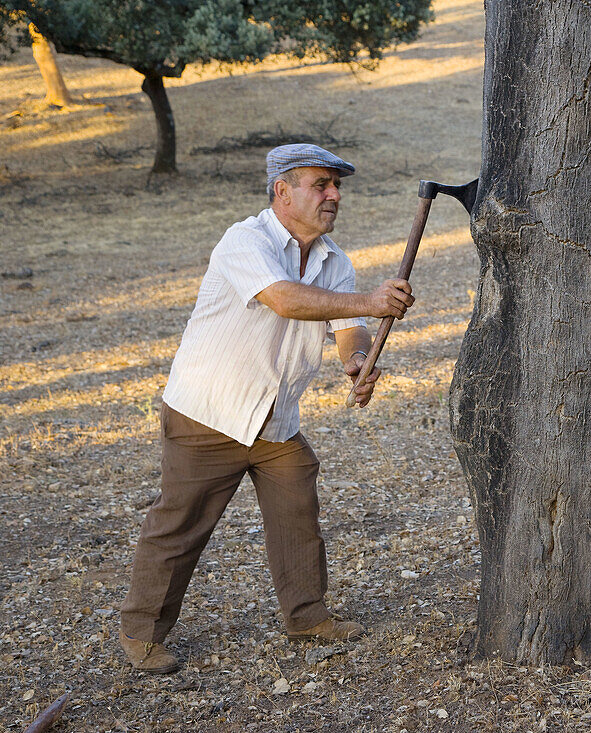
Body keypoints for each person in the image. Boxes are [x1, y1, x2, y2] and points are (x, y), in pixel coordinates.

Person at [119, 144, 415, 673]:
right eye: (320, 184)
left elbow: (347, 328)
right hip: (209, 412)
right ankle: (142, 634)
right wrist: (371, 301)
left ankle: (305, 617)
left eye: (337, 186)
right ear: (282, 191)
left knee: (297, 508)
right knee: (180, 525)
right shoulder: (244, 240)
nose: (333, 195)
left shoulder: (334, 259)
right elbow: (284, 299)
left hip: (274, 420)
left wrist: (359, 360)